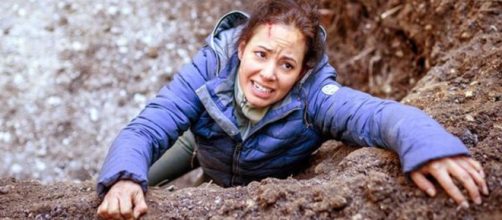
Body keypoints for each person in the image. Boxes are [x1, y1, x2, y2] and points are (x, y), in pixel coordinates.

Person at [96, 0, 489, 219]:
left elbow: (379, 116)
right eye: (261, 54)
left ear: (303, 69)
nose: (268, 74)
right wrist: (126, 178)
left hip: (251, 178)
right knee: (124, 180)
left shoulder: (315, 95)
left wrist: (431, 146)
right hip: (198, 144)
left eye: (286, 65)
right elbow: (146, 128)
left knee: (198, 203)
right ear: (241, 48)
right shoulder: (210, 67)